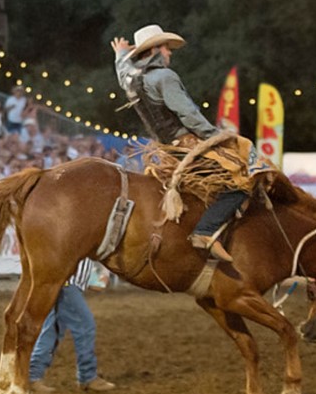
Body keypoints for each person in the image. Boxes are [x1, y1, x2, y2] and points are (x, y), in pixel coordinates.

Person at [111, 24, 269, 262]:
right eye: (166, 48)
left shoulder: (132, 81)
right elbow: (188, 114)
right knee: (242, 179)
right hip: (186, 144)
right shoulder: (165, 77)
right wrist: (216, 136)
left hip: (165, 149)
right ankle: (205, 231)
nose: (170, 53)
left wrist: (121, 55)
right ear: (154, 50)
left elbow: (123, 73)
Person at [30, 258, 115, 394]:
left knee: (52, 331)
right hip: (67, 284)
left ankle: (33, 375)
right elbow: (99, 285)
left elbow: (99, 285)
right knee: (85, 325)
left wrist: (104, 271)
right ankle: (87, 376)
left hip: (64, 282)